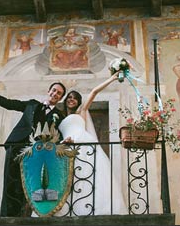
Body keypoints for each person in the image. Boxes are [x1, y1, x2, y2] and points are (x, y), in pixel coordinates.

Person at [0, 79, 67, 217]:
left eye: (59, 93)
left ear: (60, 98)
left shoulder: (59, 116)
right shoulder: (32, 104)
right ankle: (8, 217)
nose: (55, 94)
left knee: (32, 183)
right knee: (11, 182)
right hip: (17, 146)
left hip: (38, 154)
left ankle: (26, 216)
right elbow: (9, 104)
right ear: (48, 91)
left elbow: (59, 136)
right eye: (54, 90)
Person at [53, 72, 127, 216]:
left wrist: (112, 78)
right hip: (67, 146)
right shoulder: (60, 117)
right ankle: (67, 208)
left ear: (79, 102)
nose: (71, 100)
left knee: (87, 174)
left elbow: (94, 92)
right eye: (69, 97)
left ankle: (89, 208)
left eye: (75, 98)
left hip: (82, 143)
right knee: (68, 178)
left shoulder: (82, 111)